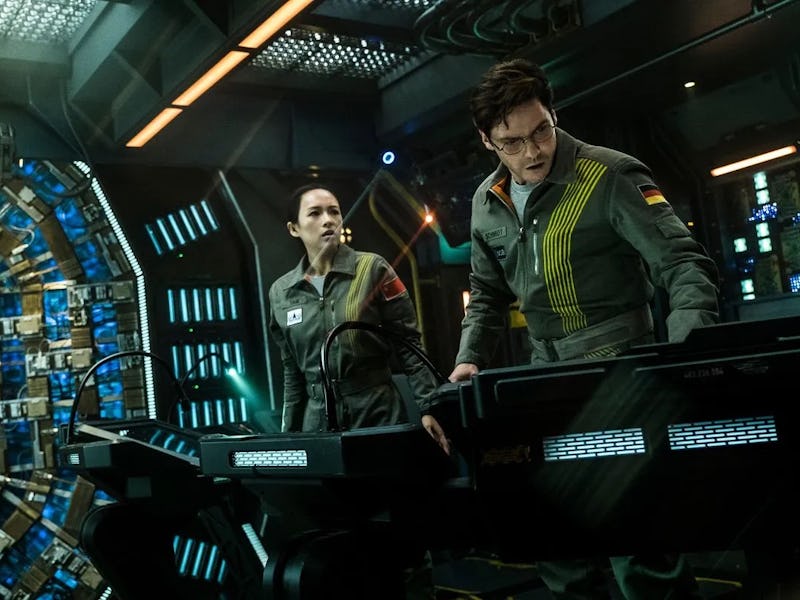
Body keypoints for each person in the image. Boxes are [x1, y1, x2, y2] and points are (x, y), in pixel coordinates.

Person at [448, 58, 719, 599]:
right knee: (559, 541)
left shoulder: (610, 174)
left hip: (619, 371)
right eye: (512, 142)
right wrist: (469, 358)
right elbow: (487, 293)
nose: (533, 152)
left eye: (541, 131)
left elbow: (683, 265)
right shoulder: (485, 202)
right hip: (543, 378)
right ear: (487, 141)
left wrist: (684, 357)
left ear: (554, 115)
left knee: (639, 541)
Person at [268, 184, 450, 598]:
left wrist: (430, 407)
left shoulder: (372, 269)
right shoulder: (281, 291)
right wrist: (289, 438)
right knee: (338, 537)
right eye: (315, 213)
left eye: (334, 211)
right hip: (318, 425)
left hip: (376, 413)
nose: (328, 220)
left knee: (400, 533)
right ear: (294, 228)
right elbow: (291, 371)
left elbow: (410, 346)